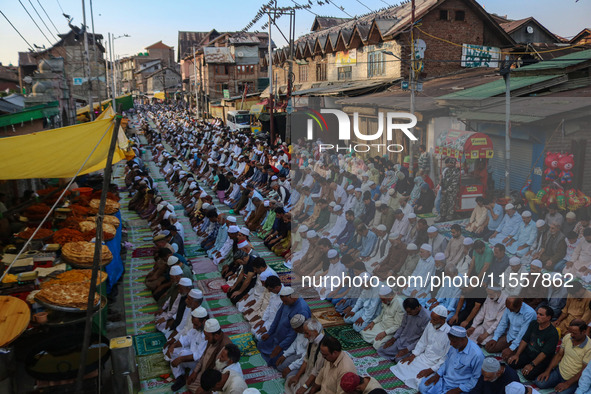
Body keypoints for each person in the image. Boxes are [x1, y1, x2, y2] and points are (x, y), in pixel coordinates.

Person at [390, 305, 451, 390]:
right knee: (401, 364)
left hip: (433, 364)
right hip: (423, 357)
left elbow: (445, 358)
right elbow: (423, 342)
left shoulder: (449, 334)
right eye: (431, 319)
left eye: (435, 320)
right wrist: (413, 355)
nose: (432, 322)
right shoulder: (430, 325)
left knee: (419, 380)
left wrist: (431, 370)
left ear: (443, 320)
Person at [417, 326, 484, 394]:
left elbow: (475, 378)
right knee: (423, 387)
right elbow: (446, 362)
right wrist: (438, 374)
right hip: (444, 380)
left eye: (453, 341)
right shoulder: (455, 346)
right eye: (450, 341)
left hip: (459, 386)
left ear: (462, 339)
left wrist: (458, 389)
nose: (451, 344)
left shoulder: (477, 355)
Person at [257, 286, 312, 366]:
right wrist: (269, 333)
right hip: (278, 335)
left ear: (292, 297)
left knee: (274, 361)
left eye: (285, 301)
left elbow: (294, 333)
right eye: (283, 302)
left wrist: (281, 346)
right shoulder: (285, 302)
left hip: (288, 341)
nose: (284, 304)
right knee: (260, 344)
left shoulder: (302, 309)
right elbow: (277, 317)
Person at [535, 319, 591, 394]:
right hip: (559, 372)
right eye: (570, 332)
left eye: (574, 333)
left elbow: (584, 371)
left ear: (583, 332)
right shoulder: (568, 337)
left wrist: (567, 384)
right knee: (539, 382)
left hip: (573, 379)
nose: (571, 335)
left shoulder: (589, 347)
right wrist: (547, 371)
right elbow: (559, 355)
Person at [507, 305, 559, 381]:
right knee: (511, 362)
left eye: (541, 315)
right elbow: (525, 340)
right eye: (537, 313)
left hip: (541, 360)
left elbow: (544, 353)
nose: (537, 316)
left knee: (528, 375)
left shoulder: (553, 333)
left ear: (549, 318)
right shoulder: (533, 324)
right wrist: (517, 354)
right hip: (529, 354)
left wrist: (532, 364)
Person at [186, 318, 232, 392]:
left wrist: (205, 386)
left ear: (216, 336)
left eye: (207, 336)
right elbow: (204, 356)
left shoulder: (225, 348)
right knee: (189, 383)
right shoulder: (211, 339)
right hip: (204, 372)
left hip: (213, 379)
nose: (206, 339)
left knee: (201, 390)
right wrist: (195, 372)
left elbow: (218, 371)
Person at [377, 297, 430, 362]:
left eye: (410, 312)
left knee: (398, 360)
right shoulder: (408, 313)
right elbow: (402, 326)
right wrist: (393, 339)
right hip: (401, 341)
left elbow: (422, 339)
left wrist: (407, 349)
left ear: (416, 308)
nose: (408, 314)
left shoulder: (427, 318)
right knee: (381, 350)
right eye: (407, 312)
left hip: (412, 345)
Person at [284, 318, 325, 394]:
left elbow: (316, 371)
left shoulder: (323, 347)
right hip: (307, 374)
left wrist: (305, 386)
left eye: (307, 333)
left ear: (315, 332)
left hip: (315, 380)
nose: (305, 336)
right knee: (290, 381)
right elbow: (306, 360)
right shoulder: (311, 339)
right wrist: (297, 376)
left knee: (299, 391)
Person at [361, 285, 405, 350]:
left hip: (390, 331)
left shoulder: (399, 303)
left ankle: (379, 340)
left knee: (377, 345)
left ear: (389, 296)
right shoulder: (386, 301)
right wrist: (373, 322)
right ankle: (376, 339)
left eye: (383, 299)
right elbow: (381, 315)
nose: (382, 301)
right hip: (381, 326)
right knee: (363, 332)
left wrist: (385, 333)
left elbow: (398, 325)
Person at [436, 157, 461, 223]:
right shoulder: (447, 171)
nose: (448, 164)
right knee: (443, 203)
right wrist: (441, 181)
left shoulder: (456, 172)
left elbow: (454, 184)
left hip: (451, 192)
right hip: (444, 190)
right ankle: (442, 216)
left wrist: (446, 191)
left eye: (450, 163)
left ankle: (448, 218)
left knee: (450, 205)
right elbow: (444, 181)